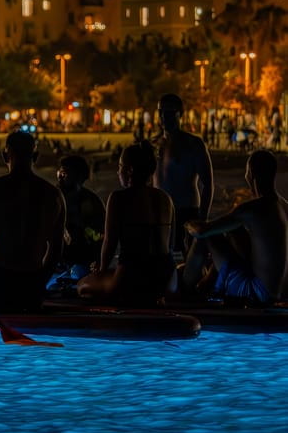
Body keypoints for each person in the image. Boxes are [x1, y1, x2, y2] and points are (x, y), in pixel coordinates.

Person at [0, 130, 65, 311]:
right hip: (31, 282)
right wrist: (39, 283)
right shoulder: (53, 194)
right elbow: (56, 249)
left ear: (5, 155)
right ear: (35, 156)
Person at [77, 141, 177, 306]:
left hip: (131, 277)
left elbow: (109, 243)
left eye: (120, 166)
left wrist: (101, 270)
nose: (118, 171)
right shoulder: (166, 198)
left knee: (82, 286)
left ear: (130, 170)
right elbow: (170, 244)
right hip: (167, 280)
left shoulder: (119, 198)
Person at [183, 149, 288, 306]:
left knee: (207, 237)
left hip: (257, 293)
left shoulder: (252, 209)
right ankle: (205, 285)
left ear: (250, 174)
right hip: (281, 292)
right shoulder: (284, 206)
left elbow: (202, 231)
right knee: (234, 231)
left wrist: (187, 224)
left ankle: (184, 291)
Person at [153, 93, 213, 255]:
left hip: (187, 211)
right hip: (160, 212)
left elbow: (208, 183)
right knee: (162, 260)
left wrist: (202, 218)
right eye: (161, 112)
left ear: (180, 113)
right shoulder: (155, 144)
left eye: (170, 112)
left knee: (190, 260)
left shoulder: (193, 144)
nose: (165, 117)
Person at [56, 155, 106, 274]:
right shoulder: (53, 198)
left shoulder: (91, 202)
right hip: (56, 265)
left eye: (65, 172)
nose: (60, 176)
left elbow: (101, 236)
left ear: (78, 176)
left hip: (82, 265)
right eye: (60, 171)